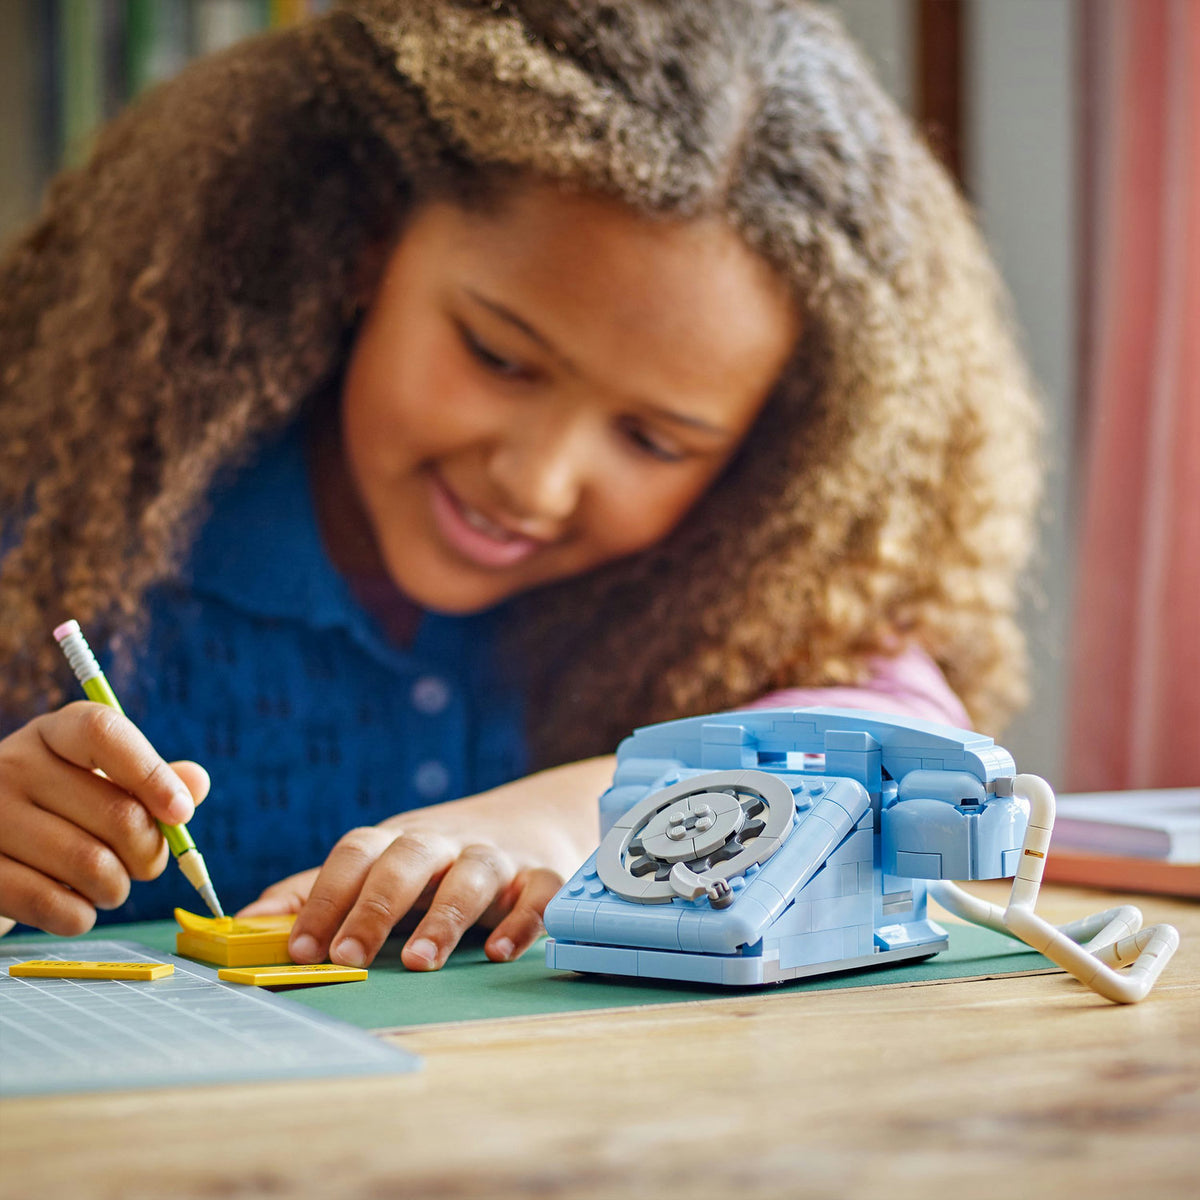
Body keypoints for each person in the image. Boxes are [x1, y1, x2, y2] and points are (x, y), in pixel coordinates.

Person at [0, 0, 1040, 972]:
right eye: (498, 358)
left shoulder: (744, 569)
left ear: (773, 462)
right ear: (368, 244)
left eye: (652, 438)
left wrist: (568, 816)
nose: (534, 484)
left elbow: (920, 746)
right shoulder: (75, 496)